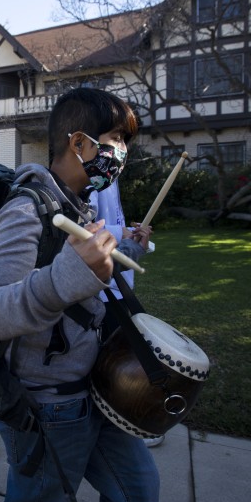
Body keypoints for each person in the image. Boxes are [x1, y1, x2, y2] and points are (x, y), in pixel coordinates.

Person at [0, 88, 160, 502]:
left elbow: (83, 272)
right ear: (79, 143)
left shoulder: (78, 207)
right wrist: (64, 279)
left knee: (138, 494)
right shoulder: (26, 208)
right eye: (116, 138)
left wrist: (129, 251)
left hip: (94, 388)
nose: (124, 151)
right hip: (48, 407)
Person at [89, 183, 164, 448]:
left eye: (124, 141)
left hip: (118, 285)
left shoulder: (112, 178)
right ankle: (119, 422)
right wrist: (126, 232)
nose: (121, 149)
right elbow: (85, 227)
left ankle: (121, 421)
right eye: (115, 139)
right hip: (102, 290)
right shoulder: (93, 178)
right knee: (112, 363)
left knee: (120, 357)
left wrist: (132, 237)